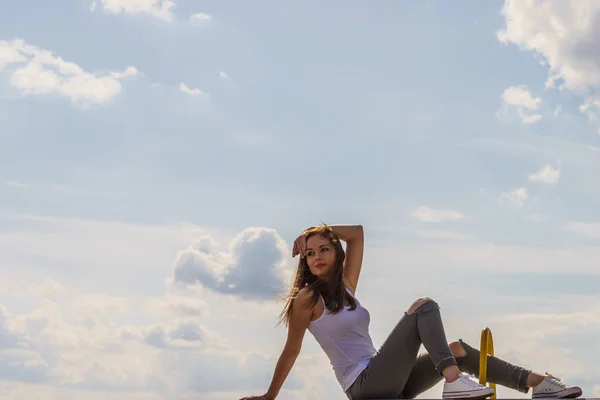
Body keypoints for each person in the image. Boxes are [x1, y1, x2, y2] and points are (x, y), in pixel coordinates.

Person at [240, 224, 583, 400]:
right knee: (424, 307)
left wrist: (314, 229)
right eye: (310, 253)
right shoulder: (305, 299)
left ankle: (538, 385)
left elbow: (357, 235)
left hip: (390, 385)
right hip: (363, 386)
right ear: (305, 262)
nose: (317, 256)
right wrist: (271, 395)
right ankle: (453, 382)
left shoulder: (345, 286)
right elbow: (292, 349)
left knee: (459, 349)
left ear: (336, 253)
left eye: (325, 248)